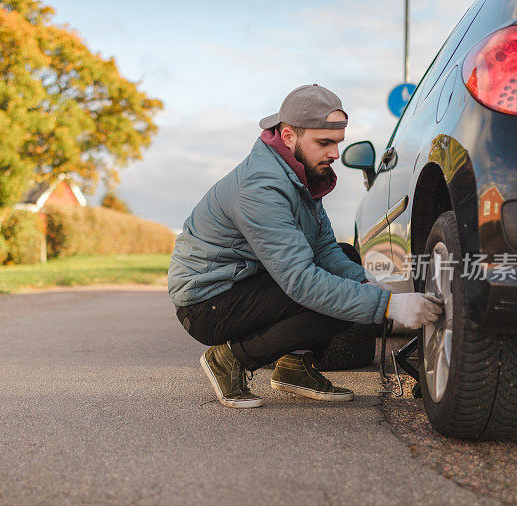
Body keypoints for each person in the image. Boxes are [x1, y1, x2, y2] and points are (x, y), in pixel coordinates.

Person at [167, 84, 442, 409]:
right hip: (206, 302)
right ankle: (229, 360)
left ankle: (294, 367)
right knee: (331, 302)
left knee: (347, 261)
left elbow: (325, 250)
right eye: (324, 143)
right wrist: (387, 305)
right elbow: (301, 281)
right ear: (288, 136)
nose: (335, 154)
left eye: (337, 143)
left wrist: (367, 282)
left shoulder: (298, 175)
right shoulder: (261, 190)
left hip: (245, 282)